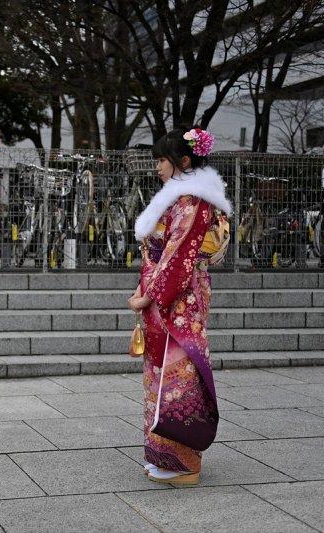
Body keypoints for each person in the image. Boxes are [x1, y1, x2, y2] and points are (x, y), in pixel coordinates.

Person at [128, 126, 231, 486]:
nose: (156, 166)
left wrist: (149, 294)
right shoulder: (179, 200)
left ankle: (183, 462)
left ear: (183, 161)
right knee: (161, 379)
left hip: (178, 300)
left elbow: (179, 255)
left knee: (178, 378)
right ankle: (164, 456)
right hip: (170, 295)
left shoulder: (192, 203)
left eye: (161, 160)